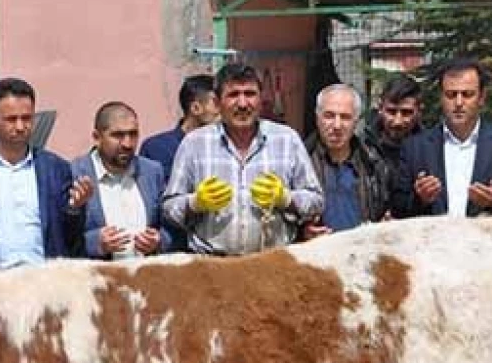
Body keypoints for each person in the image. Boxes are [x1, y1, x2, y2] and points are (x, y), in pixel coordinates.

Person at [162, 62, 323, 256]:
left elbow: (316, 201)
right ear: (217, 101)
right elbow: (169, 208)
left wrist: (287, 199)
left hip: (272, 264)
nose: (243, 104)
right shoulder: (194, 144)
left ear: (260, 98)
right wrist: (194, 203)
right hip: (212, 265)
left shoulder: (287, 139)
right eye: (233, 95)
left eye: (250, 94)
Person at [0, 78, 93, 267]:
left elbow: (72, 239)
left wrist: (75, 209)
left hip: (43, 281)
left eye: (27, 118)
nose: (20, 127)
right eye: (11, 119)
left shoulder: (56, 169)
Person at [391, 58, 492, 219]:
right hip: (434, 240)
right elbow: (397, 207)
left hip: (486, 241)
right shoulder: (415, 147)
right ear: (441, 97)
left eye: (467, 94)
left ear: (482, 97)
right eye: (451, 95)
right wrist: (419, 198)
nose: (458, 103)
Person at [70, 102, 169, 259]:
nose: (127, 144)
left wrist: (158, 241)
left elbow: (171, 226)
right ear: (97, 138)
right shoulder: (74, 173)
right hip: (98, 277)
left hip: (145, 275)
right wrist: (95, 243)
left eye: (133, 134)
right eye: (118, 135)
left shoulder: (152, 172)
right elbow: (61, 236)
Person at [302, 84, 392, 238]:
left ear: (356, 122)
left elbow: (385, 211)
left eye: (345, 117)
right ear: (317, 118)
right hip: (315, 256)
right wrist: (302, 232)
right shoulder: (301, 163)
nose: (337, 125)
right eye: (329, 116)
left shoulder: (373, 164)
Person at [139, 74, 219, 183]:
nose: (223, 109)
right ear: (195, 108)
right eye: (216, 104)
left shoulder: (226, 147)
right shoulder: (156, 149)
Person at [364, 73, 422, 171]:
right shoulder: (362, 148)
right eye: (391, 111)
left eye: (406, 112)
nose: (397, 122)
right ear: (380, 109)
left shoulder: (431, 150)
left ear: (419, 112)